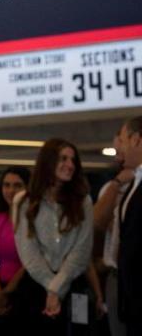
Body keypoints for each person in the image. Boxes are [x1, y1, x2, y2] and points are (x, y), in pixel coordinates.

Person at [15, 138, 93, 336]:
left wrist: (56, 288)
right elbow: (28, 251)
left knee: (78, 331)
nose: (70, 165)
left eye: (73, 160)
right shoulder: (24, 201)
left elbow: (82, 251)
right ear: (48, 162)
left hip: (75, 285)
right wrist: (52, 287)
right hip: (36, 285)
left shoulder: (83, 201)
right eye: (63, 159)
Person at [94, 126, 134, 336]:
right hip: (116, 275)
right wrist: (117, 184)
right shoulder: (111, 187)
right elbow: (98, 223)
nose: (119, 152)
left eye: (122, 143)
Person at [0, 166, 30, 335]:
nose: (11, 190)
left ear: (28, 188)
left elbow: (31, 261)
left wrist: (8, 291)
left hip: (27, 290)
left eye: (17, 185)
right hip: (0, 291)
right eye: (7, 185)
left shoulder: (34, 220)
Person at [116, 116, 142, 335]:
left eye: (123, 140)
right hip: (132, 303)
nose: (119, 146)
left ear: (136, 140)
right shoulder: (134, 182)